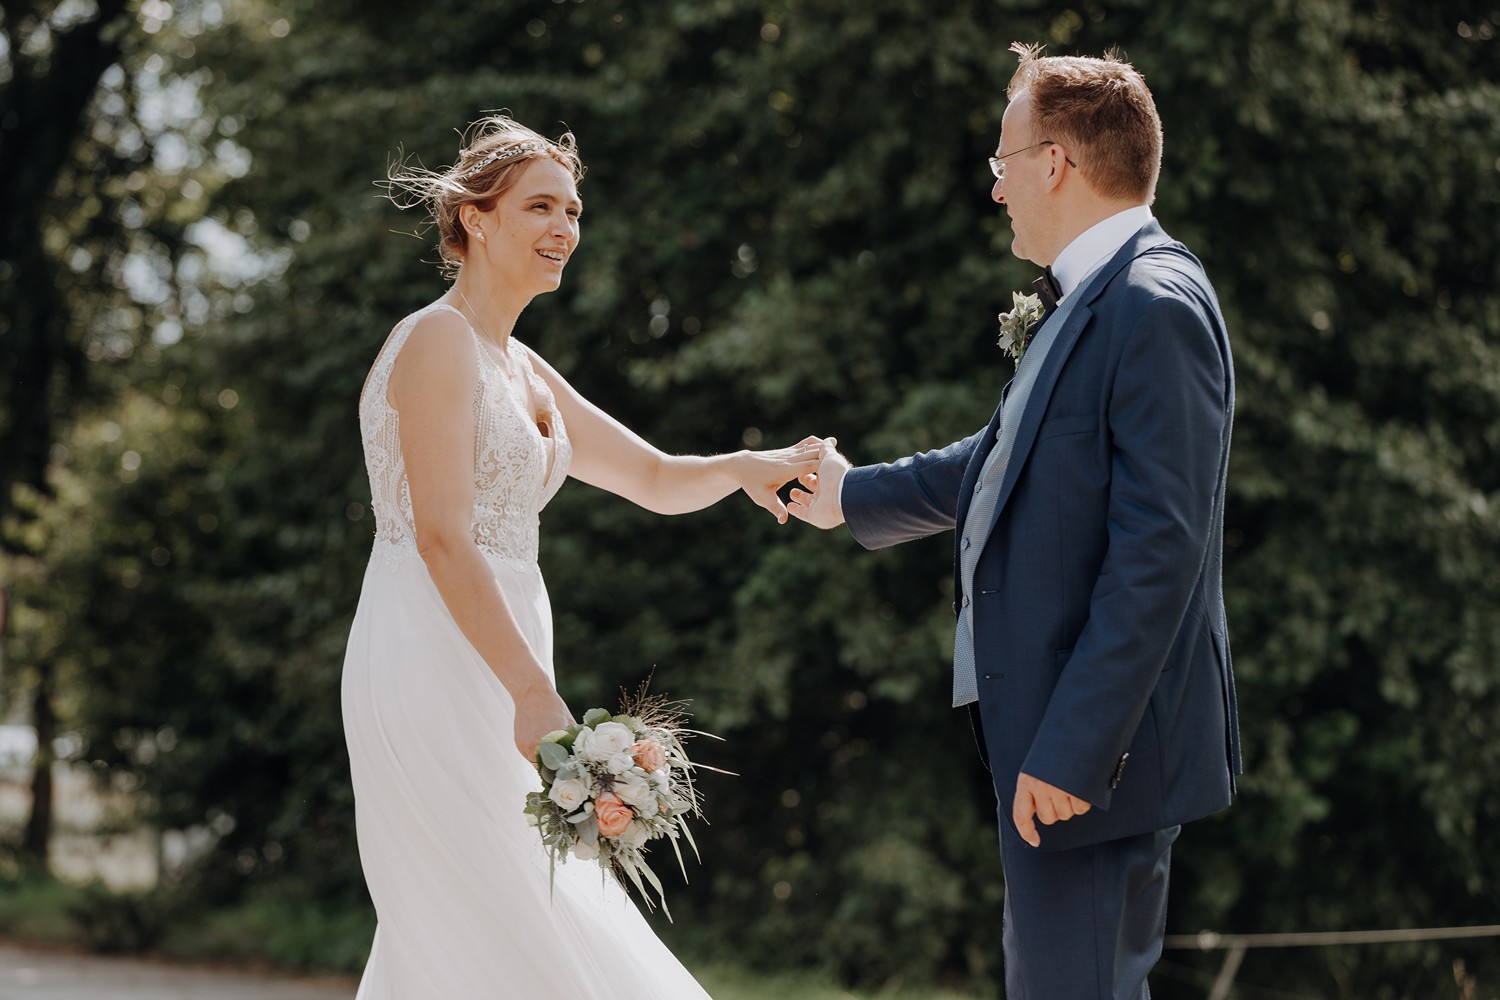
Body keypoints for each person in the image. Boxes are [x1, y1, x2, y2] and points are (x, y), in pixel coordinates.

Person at [788, 44, 1240, 998]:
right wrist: (848, 494)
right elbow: (1005, 465)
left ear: (1054, 163)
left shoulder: (1153, 303)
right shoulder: (1101, 298)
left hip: (1091, 760)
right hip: (1060, 740)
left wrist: (1078, 747)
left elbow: (1162, 550)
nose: (995, 190)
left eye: (1001, 164)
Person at [341, 115, 820, 998]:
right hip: (433, 650)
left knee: (485, 927)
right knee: (503, 911)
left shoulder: (519, 364)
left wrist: (745, 468)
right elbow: (443, 535)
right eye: (540, 206)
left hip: (505, 651)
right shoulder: (439, 341)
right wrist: (530, 688)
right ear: (476, 220)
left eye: (573, 209)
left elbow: (651, 475)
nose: (565, 227)